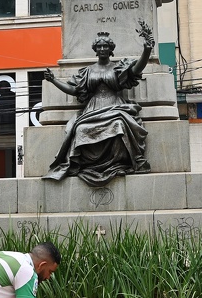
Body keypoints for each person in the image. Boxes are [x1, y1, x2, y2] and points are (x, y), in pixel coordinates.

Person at [43, 23, 154, 186]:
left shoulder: (118, 68)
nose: (102, 49)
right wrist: (53, 80)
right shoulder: (87, 71)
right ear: (95, 49)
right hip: (93, 109)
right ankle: (86, 165)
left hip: (115, 107)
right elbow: (74, 90)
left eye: (105, 46)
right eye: (99, 46)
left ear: (111, 49)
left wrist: (147, 50)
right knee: (80, 130)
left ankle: (118, 163)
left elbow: (136, 70)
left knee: (119, 126)